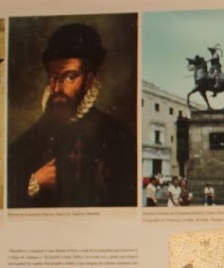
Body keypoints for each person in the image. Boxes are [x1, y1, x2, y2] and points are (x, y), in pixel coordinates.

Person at [7, 21, 137, 207]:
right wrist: (34, 183)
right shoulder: (26, 141)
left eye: (69, 77)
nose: (58, 88)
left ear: (89, 80)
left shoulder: (118, 137)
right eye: (53, 77)